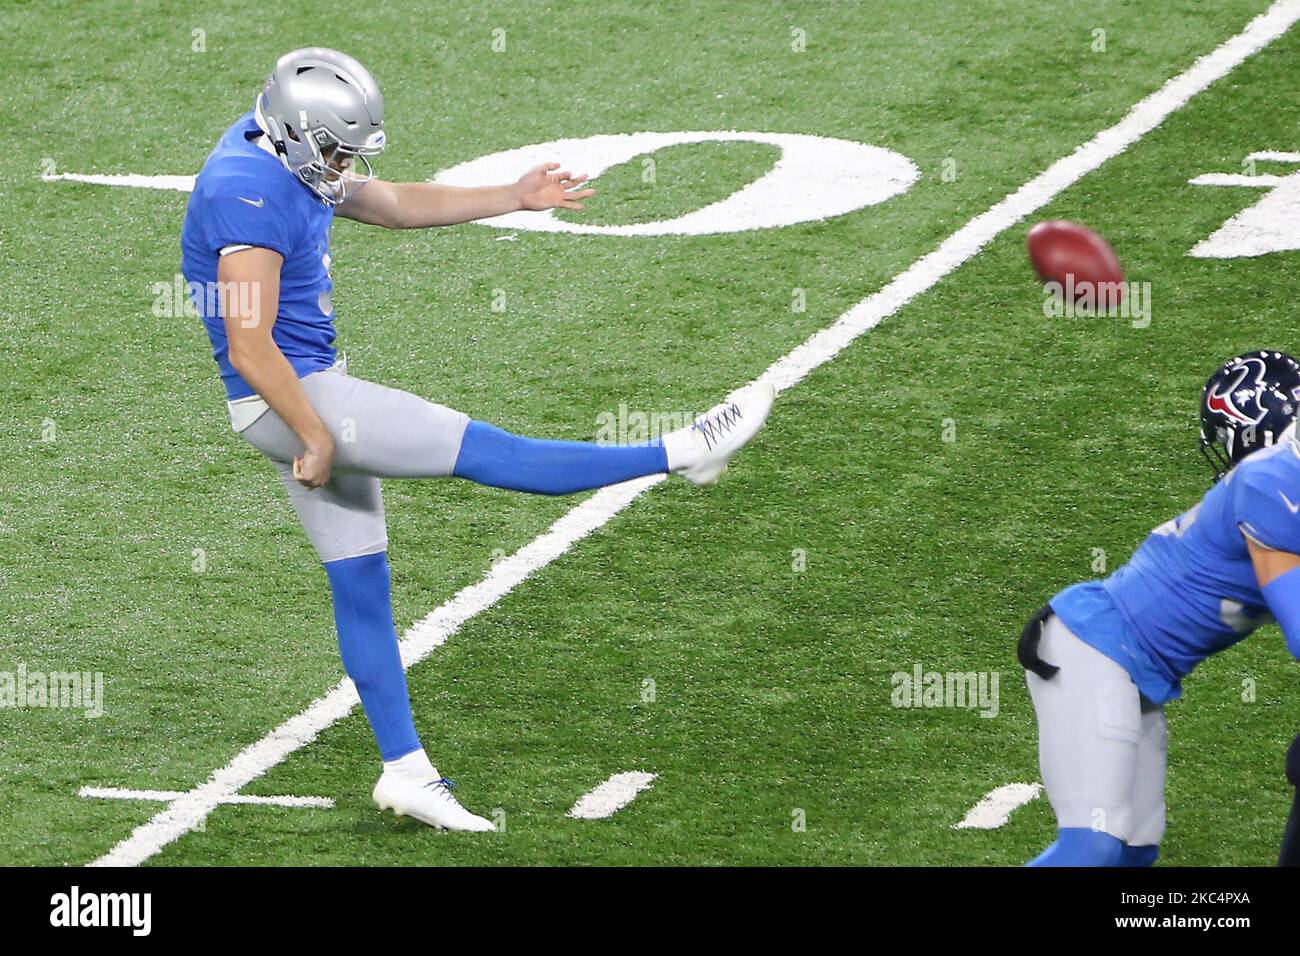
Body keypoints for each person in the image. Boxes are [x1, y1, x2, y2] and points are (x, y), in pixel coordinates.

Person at [180, 48, 774, 832]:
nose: (343, 166)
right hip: (295, 398)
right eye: (334, 150)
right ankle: (682, 450)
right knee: (492, 451)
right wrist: (318, 433)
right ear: (294, 131)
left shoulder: (280, 154)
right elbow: (250, 345)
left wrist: (514, 197)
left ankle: (406, 772)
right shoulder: (243, 194)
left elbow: (387, 203)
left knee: (361, 583)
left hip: (302, 389)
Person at [1020, 350, 1300, 865]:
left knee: (1133, 851)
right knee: (1093, 847)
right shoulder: (1271, 484)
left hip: (1136, 667)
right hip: (1096, 649)